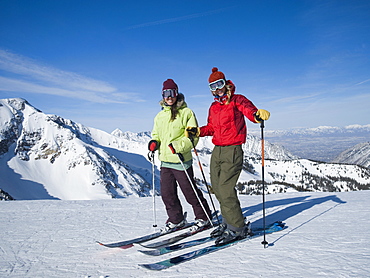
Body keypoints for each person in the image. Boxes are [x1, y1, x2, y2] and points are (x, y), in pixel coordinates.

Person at [186, 67, 270, 245]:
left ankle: (238, 227)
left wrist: (256, 115)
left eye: (219, 84)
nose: (217, 89)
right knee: (216, 187)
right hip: (218, 150)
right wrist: (198, 131)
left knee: (225, 189)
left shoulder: (237, 100)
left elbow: (248, 109)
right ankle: (228, 222)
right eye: (212, 86)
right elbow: (211, 128)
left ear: (226, 84)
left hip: (233, 149)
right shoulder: (214, 107)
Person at [148, 78, 212, 234]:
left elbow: (193, 137)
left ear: (177, 94)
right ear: (162, 95)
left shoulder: (187, 113)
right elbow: (156, 134)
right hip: (165, 161)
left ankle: (204, 217)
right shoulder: (159, 116)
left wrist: (177, 146)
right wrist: (153, 143)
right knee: (167, 194)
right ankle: (176, 219)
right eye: (166, 93)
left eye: (172, 93)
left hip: (181, 160)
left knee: (190, 192)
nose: (169, 97)